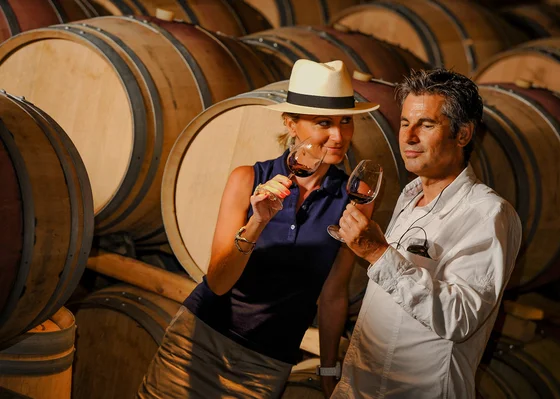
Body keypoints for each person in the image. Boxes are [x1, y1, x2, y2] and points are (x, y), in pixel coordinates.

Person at [137, 59, 379, 399]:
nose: (339, 136)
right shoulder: (247, 179)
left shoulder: (353, 200)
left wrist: (329, 370)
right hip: (199, 341)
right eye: (324, 123)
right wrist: (257, 222)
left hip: (267, 363)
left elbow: (333, 294)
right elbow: (218, 282)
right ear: (291, 123)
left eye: (346, 122)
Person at [330, 69, 522, 398]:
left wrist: (378, 254)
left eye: (426, 124)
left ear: (463, 134)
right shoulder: (410, 193)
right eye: (405, 123)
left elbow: (458, 318)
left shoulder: (488, 214)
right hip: (358, 387)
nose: (408, 137)